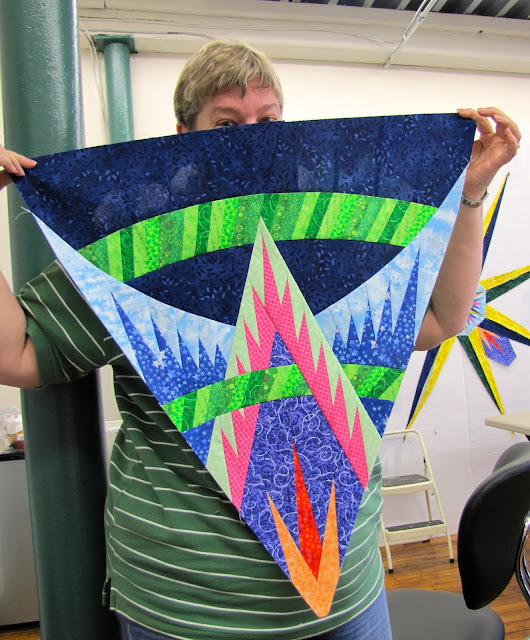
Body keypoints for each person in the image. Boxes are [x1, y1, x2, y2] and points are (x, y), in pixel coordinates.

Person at [0, 40, 521, 640]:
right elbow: (19, 356)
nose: (251, 139)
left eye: (268, 121)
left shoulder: (335, 228)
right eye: (226, 124)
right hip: (188, 605)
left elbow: (442, 318)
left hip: (347, 593)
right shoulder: (141, 243)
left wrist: (470, 191)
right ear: (184, 134)